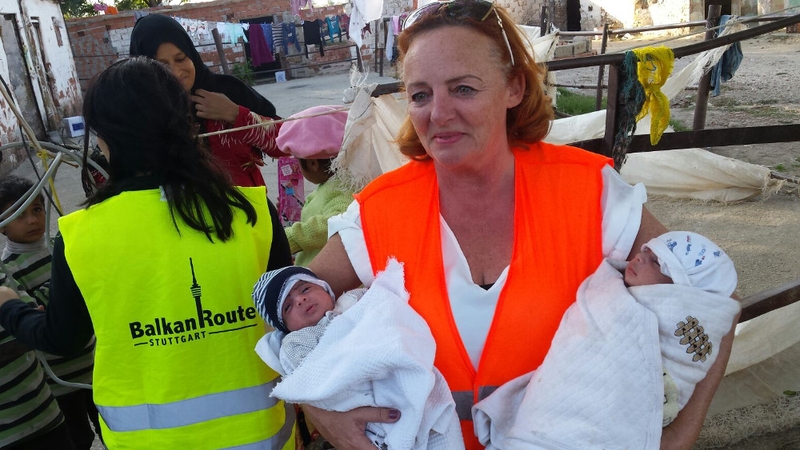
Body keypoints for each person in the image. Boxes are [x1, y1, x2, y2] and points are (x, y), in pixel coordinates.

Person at [300, 1, 739, 449]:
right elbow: (285, 309)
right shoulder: (380, 210)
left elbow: (713, 303)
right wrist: (318, 409)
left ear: (514, 87)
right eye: (420, 94)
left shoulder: (590, 192)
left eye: (463, 89)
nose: (439, 113)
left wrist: (680, 438)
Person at [0, 57, 294, 448]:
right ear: (184, 123)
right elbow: (292, 314)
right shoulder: (251, 211)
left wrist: (9, 306)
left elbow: (63, 339)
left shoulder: (80, 234)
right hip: (262, 437)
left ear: (104, 138)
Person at [471, 231, 740, 448]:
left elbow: (678, 368)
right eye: (643, 252)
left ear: (680, 291)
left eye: (656, 262)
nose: (638, 259)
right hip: (547, 416)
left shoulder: (681, 326)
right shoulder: (610, 294)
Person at [251, 260, 463, 450]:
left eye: (305, 288)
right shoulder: (296, 342)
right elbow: (311, 373)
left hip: (398, 375)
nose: (300, 300)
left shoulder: (356, 300)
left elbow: (388, 310)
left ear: (327, 290)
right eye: (287, 307)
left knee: (437, 428)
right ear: (285, 328)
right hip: (363, 409)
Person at [0, 175, 100, 449]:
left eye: (37, 209)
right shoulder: (9, 268)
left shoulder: (62, 249)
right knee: (78, 438)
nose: (32, 220)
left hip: (94, 367)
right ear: (2, 227)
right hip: (58, 382)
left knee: (112, 429)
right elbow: (32, 314)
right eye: (18, 215)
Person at [129, 13, 283, 188]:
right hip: (181, 213)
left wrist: (235, 114)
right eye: (161, 66)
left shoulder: (227, 90)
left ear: (192, 55)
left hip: (249, 208)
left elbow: (284, 144)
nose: (176, 72)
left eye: (180, 59)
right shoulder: (138, 113)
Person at [276, 106, 358, 266]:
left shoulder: (344, 190)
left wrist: (292, 237)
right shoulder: (332, 184)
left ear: (312, 163)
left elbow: (336, 222)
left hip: (330, 278)